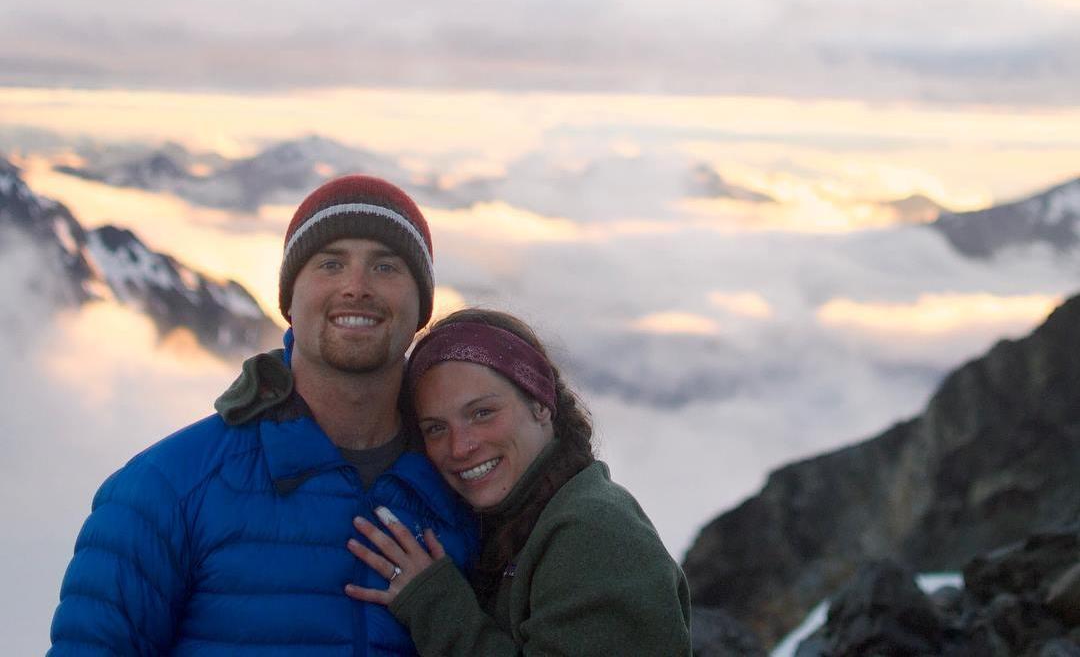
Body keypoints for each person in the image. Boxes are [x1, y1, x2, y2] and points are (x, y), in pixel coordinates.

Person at [49, 175, 478, 655]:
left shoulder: (469, 489)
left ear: (422, 306)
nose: (356, 287)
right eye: (330, 264)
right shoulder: (163, 493)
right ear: (288, 301)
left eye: (385, 266)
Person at [344, 307, 694, 655]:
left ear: (540, 402)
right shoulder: (520, 524)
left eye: (482, 413)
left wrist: (434, 604)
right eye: (436, 428)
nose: (460, 446)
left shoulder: (595, 532)